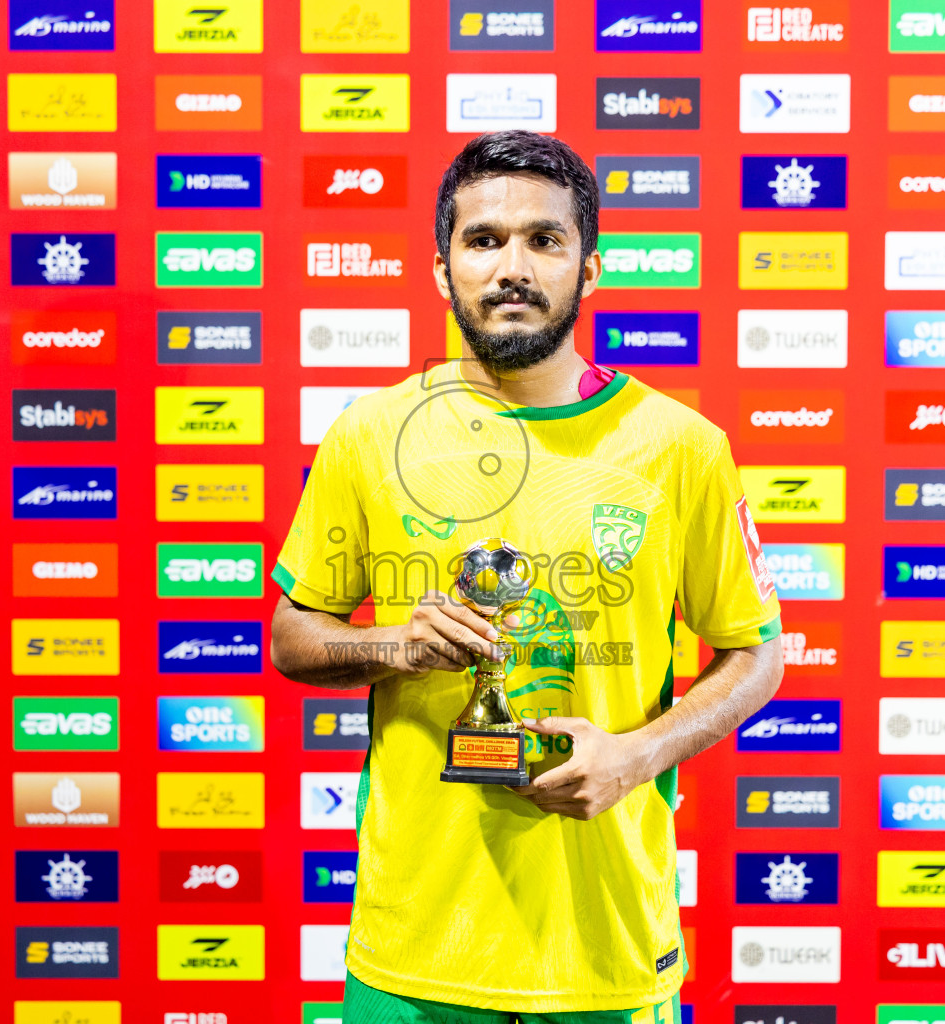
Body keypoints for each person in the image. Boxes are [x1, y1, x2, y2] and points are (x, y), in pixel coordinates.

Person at [270, 130, 784, 1023]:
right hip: (414, 954)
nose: (513, 267)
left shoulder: (682, 447)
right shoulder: (369, 434)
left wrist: (636, 756)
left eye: (545, 240)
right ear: (443, 271)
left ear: (590, 270)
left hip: (607, 950)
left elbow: (758, 654)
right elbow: (291, 637)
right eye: (484, 240)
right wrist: (398, 646)